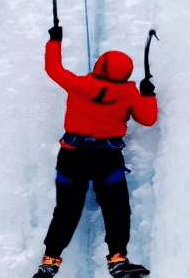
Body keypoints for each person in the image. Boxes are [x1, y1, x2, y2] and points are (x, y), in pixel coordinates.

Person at [33, 22, 158, 278]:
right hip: (107, 159)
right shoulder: (130, 94)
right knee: (116, 208)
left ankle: (49, 262)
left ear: (100, 65)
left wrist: (55, 39)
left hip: (71, 156)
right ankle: (118, 259)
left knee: (66, 210)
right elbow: (147, 119)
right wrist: (148, 94)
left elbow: (53, 69)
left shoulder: (79, 84)